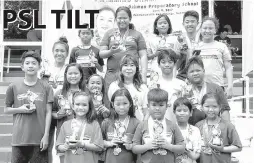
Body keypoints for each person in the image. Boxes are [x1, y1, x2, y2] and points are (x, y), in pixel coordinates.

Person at [4, 51, 53, 163]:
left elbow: (48, 112)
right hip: (19, 139)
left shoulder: (46, 87)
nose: (30, 65)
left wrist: (46, 135)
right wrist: (21, 110)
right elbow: (6, 109)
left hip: (39, 140)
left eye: (34, 63)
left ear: (39, 67)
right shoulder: (13, 87)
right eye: (27, 63)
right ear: (22, 67)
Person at [100, 6, 148, 93]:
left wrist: (144, 75)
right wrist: (111, 51)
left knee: (133, 102)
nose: (122, 20)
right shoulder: (109, 33)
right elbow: (101, 54)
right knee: (111, 102)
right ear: (115, 19)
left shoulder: (137, 34)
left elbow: (143, 55)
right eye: (119, 18)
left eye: (125, 18)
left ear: (130, 19)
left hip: (132, 75)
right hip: (112, 75)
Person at [132, 88, 185, 163]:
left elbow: (182, 148)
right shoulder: (142, 125)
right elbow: (134, 148)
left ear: (167, 106)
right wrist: (147, 146)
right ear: (148, 106)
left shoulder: (172, 125)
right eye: (153, 105)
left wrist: (168, 146)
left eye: (161, 105)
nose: (157, 108)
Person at [56, 91, 104, 163]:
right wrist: (65, 146)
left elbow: (99, 147)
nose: (80, 107)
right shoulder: (65, 125)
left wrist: (82, 145)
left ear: (89, 107)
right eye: (77, 104)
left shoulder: (94, 124)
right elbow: (59, 146)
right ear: (72, 106)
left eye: (84, 105)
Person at [52, 63, 86, 163]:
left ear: (81, 75)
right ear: (66, 75)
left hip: (83, 134)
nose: (73, 76)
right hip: (64, 136)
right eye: (70, 73)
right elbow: (52, 113)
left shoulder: (86, 92)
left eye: (76, 73)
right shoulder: (59, 93)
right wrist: (58, 115)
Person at [196, 93, 242, 163]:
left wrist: (222, 149)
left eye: (214, 106)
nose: (211, 110)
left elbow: (238, 147)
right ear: (202, 107)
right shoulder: (198, 126)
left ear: (220, 107)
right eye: (207, 106)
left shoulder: (228, 126)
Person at [184, 56, 230, 125]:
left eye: (198, 70)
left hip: (214, 131)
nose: (195, 73)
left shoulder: (216, 88)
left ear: (204, 71)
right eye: (192, 71)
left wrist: (226, 129)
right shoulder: (184, 91)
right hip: (192, 131)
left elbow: (224, 111)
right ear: (187, 74)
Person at [195, 16, 233, 98]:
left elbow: (228, 67)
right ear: (200, 30)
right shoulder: (196, 47)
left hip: (217, 86)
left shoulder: (222, 46)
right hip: (198, 87)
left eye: (210, 28)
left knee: (216, 110)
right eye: (205, 28)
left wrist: (230, 85)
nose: (207, 31)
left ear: (215, 30)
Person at [101, 88, 140, 163]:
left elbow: (140, 145)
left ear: (130, 104)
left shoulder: (137, 123)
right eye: (118, 104)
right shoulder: (106, 122)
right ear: (112, 104)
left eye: (125, 103)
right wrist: (110, 143)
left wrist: (130, 146)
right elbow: (98, 142)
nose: (121, 107)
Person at [108, 54, 148, 121]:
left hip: (138, 125)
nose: (128, 68)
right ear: (121, 68)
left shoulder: (143, 88)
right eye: (125, 65)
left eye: (132, 65)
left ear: (136, 68)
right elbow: (112, 108)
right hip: (118, 126)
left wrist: (142, 127)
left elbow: (146, 112)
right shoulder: (114, 86)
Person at [154, 49, 187, 123]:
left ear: (175, 64)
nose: (167, 65)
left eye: (170, 62)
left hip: (178, 123)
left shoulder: (182, 85)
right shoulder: (153, 85)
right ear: (159, 64)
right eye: (163, 62)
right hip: (158, 124)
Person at [173, 97, 202, 163]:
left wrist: (187, 151)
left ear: (191, 112)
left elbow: (197, 154)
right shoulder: (171, 129)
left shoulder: (195, 130)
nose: (182, 113)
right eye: (179, 110)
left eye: (185, 110)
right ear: (174, 112)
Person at [176, 10, 201, 81]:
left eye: (193, 22)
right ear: (183, 24)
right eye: (187, 22)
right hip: (183, 77)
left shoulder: (202, 39)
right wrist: (181, 56)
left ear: (198, 23)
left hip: (200, 76)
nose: (190, 24)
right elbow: (176, 65)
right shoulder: (179, 40)